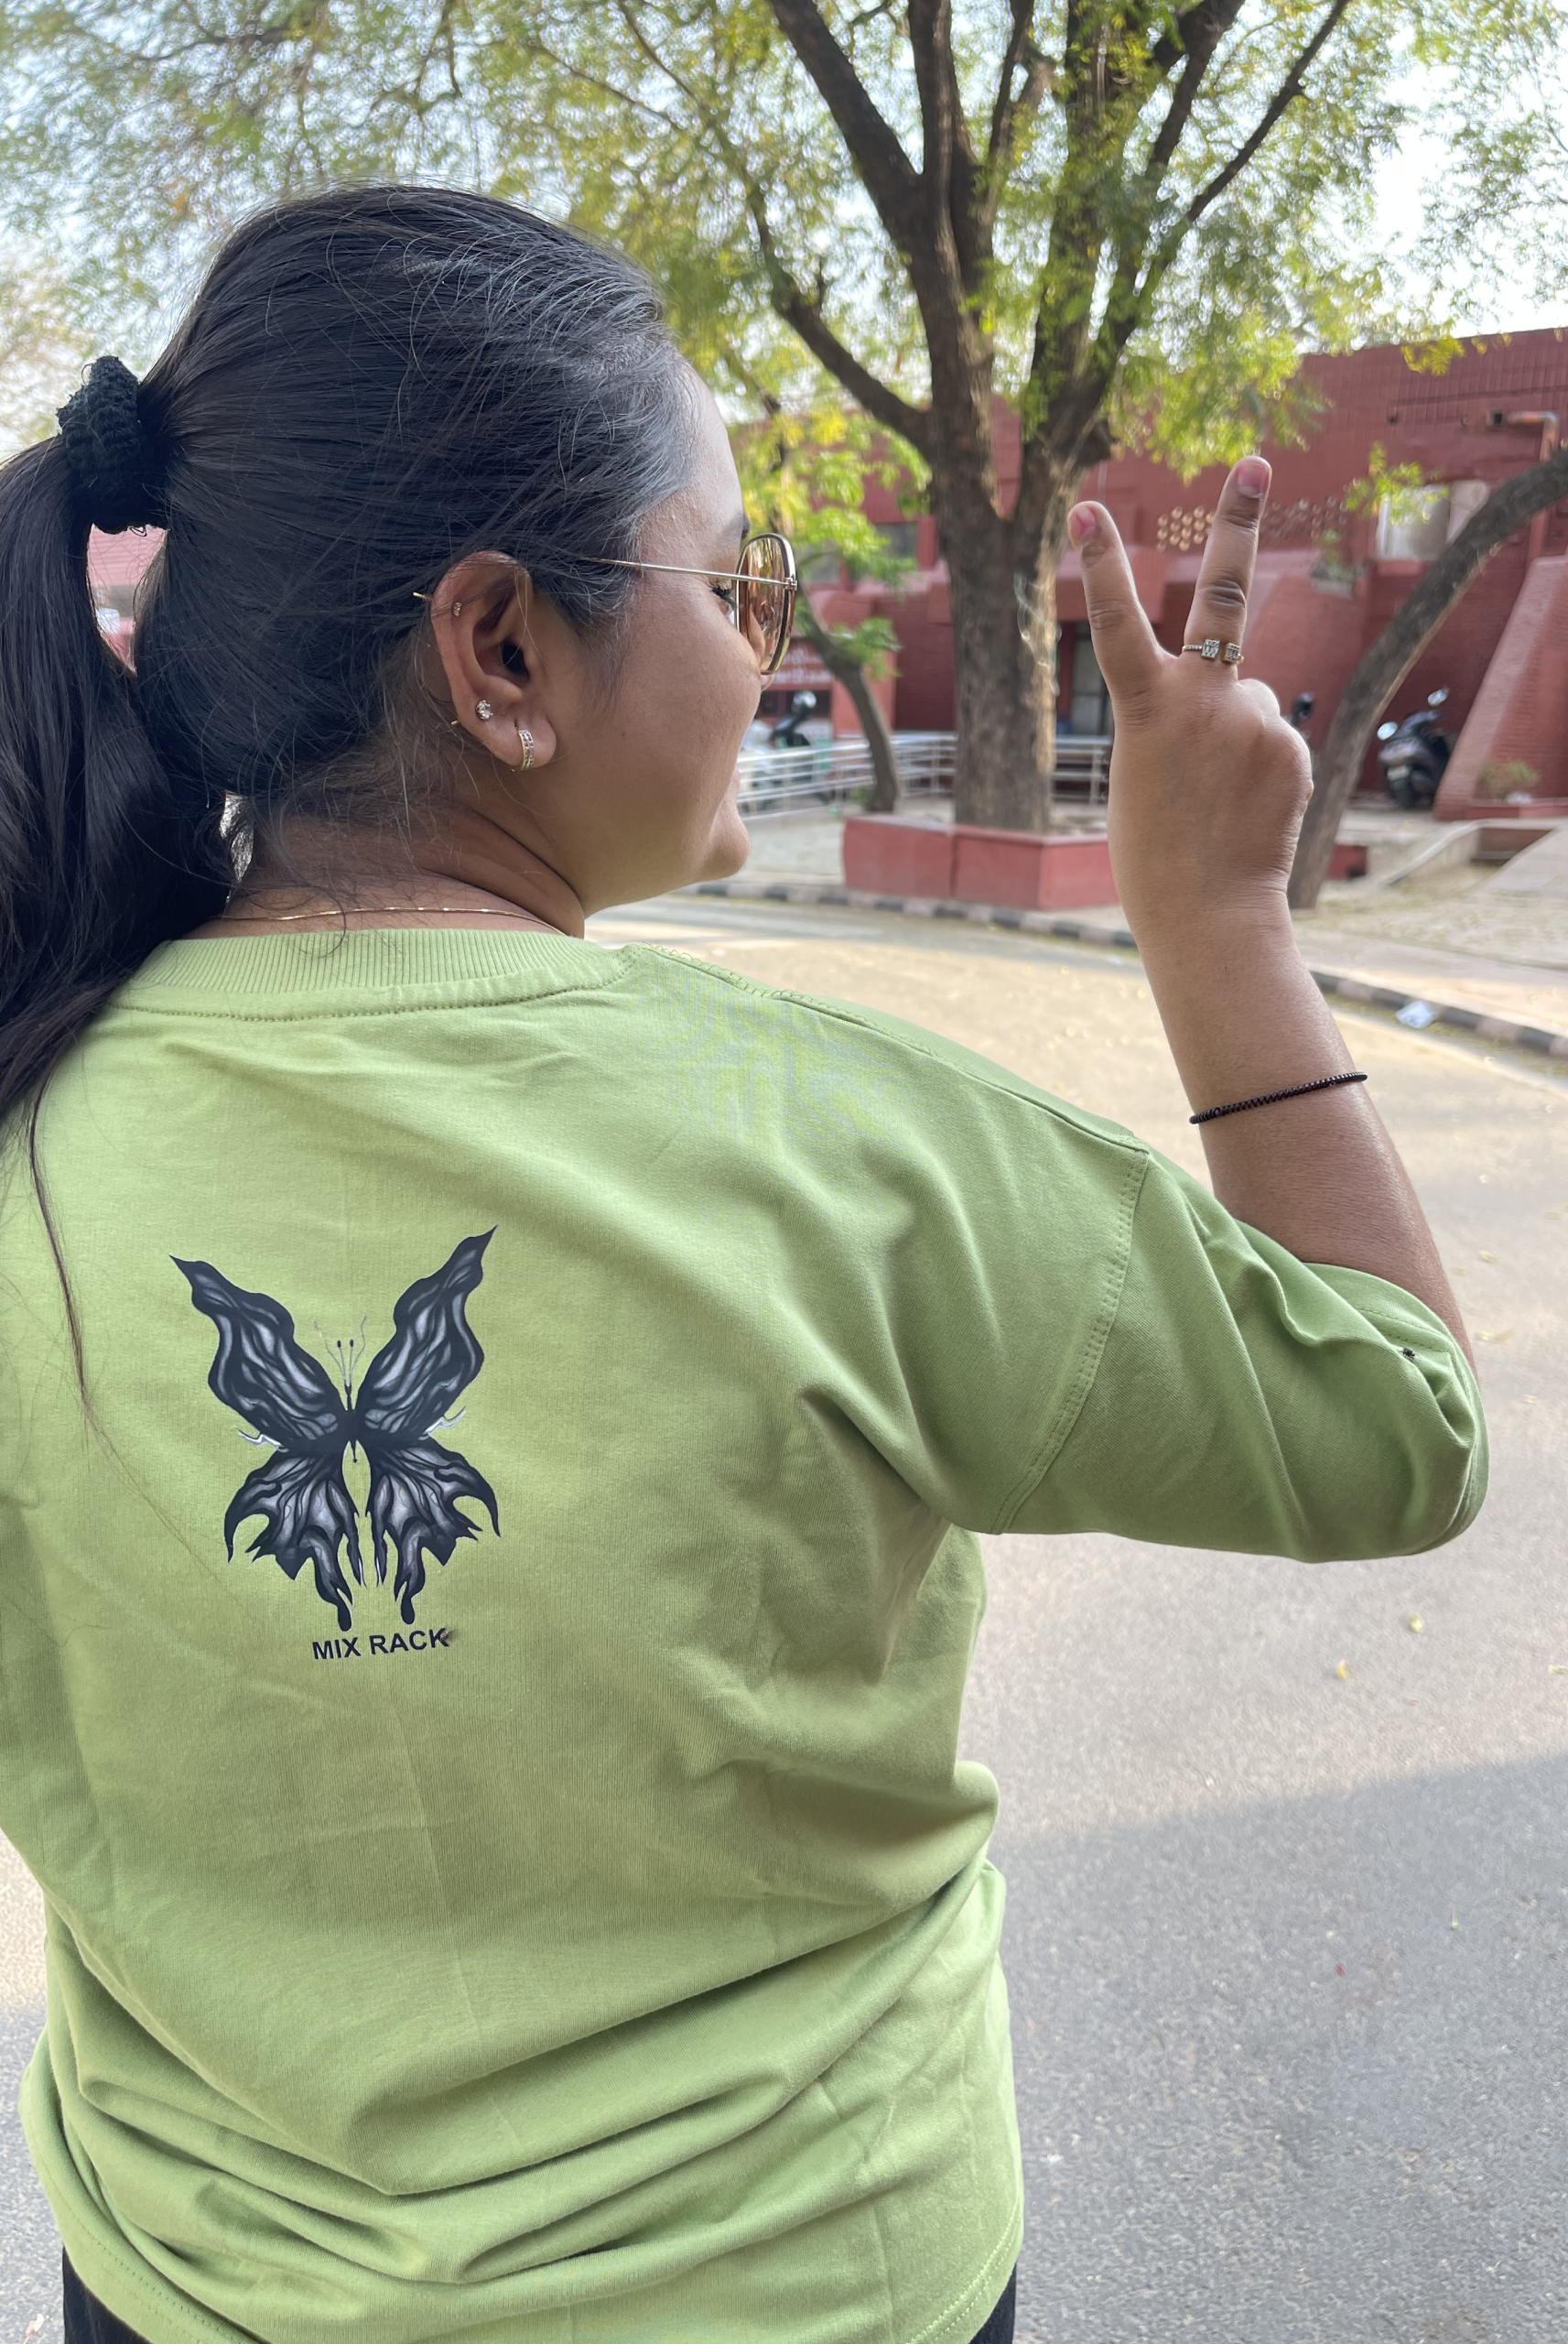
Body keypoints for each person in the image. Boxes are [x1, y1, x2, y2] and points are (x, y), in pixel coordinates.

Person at [0, 186, 1482, 2344]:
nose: (772, 642)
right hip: (800, 2281)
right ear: (501, 652)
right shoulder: (830, 1137)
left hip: (194, 2286)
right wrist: (1224, 920)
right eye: (736, 578)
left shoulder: (31, 1141)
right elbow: (1389, 1425)